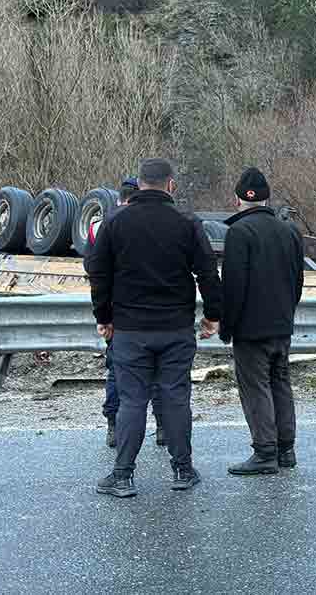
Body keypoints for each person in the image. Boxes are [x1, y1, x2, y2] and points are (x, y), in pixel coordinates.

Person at [88, 158, 221, 498]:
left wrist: (103, 317)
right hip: (176, 328)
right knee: (175, 398)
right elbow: (207, 273)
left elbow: (99, 274)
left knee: (132, 401)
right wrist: (212, 316)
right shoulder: (187, 223)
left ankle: (123, 476)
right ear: (171, 185)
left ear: (140, 183)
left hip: (130, 329)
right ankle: (182, 470)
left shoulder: (116, 222)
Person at [220, 167, 304, 476]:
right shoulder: (290, 231)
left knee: (255, 387)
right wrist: (286, 314)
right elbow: (298, 282)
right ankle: (286, 450)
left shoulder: (239, 233)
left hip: (251, 329)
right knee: (280, 382)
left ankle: (265, 452)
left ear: (237, 200)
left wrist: (226, 328)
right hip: (282, 325)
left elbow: (233, 287)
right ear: (267, 200)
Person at [85, 177, 163, 449]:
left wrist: (102, 315)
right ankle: (164, 424)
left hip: (116, 310)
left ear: (118, 198)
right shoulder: (150, 220)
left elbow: (93, 270)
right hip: (149, 307)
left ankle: (114, 425)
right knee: (157, 366)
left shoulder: (99, 225)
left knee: (117, 369)